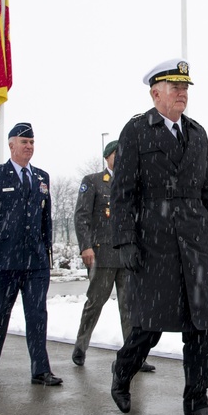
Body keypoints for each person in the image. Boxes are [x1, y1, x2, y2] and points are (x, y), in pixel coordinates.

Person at [109, 58, 208, 415]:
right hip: (154, 242)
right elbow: (123, 193)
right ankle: (123, 370)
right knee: (150, 324)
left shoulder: (198, 133)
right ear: (155, 93)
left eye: (185, 87)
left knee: (200, 325)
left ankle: (197, 401)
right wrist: (125, 240)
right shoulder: (135, 131)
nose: (182, 93)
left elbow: (207, 190)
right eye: (174, 87)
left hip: (193, 242)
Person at [0, 122, 61, 386]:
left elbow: (46, 219)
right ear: (11, 145)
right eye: (24, 142)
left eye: (32, 142)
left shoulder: (42, 177)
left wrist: (47, 251)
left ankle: (40, 370)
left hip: (35, 261)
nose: (29, 147)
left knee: (37, 315)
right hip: (4, 259)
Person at [71, 139, 154, 372]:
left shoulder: (132, 183)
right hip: (103, 255)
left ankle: (133, 356)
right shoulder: (93, 182)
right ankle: (80, 346)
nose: (121, 158)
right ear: (107, 157)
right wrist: (85, 246)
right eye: (117, 154)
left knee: (130, 308)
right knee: (95, 302)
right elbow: (82, 217)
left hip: (127, 257)